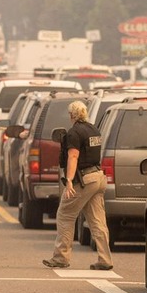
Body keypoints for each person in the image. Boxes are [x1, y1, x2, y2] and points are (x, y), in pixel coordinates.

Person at [42, 101, 113, 270]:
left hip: (84, 179)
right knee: (97, 221)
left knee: (65, 214)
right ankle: (105, 259)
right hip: (98, 177)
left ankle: (61, 258)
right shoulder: (93, 129)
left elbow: (73, 157)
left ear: (72, 115)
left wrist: (68, 180)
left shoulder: (74, 133)